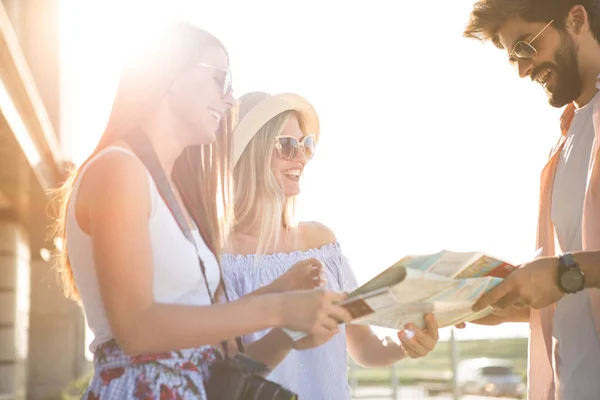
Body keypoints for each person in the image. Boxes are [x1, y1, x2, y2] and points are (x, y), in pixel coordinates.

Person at [52, 22, 351, 399]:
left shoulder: (176, 199)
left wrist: (290, 328)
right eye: (220, 80)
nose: (229, 100)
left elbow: (217, 365)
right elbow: (136, 329)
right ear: (169, 75)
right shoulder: (118, 169)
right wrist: (278, 307)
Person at [221, 91, 441, 400]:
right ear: (251, 153)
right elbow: (221, 372)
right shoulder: (216, 257)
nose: (301, 157)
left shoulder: (320, 243)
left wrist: (405, 344)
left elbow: (364, 348)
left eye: (307, 145)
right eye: (287, 145)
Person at [463, 1, 600, 399]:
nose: (522, 69)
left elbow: (572, 272)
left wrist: (561, 272)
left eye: (526, 46)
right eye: (513, 60)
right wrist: (514, 303)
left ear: (576, 19)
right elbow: (582, 289)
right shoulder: (569, 136)